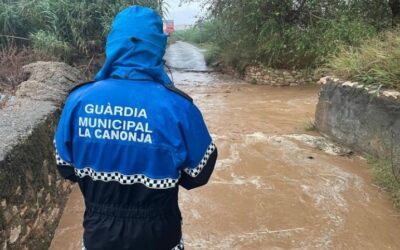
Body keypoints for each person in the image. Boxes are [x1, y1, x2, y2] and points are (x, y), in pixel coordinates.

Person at [54, 6, 217, 250]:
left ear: (113, 44)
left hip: (99, 234)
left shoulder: (78, 101)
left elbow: (66, 168)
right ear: (157, 46)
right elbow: (199, 174)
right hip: (160, 236)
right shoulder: (179, 107)